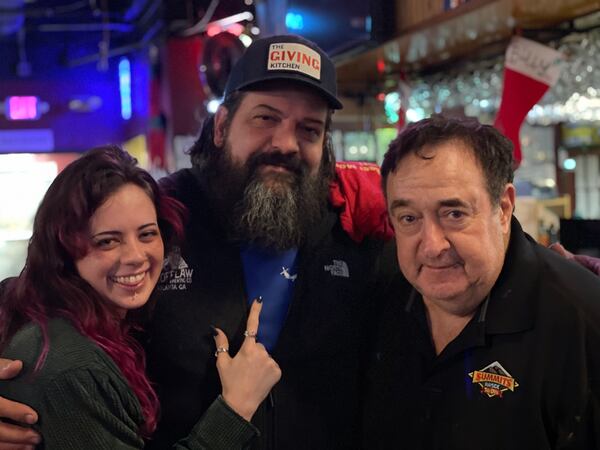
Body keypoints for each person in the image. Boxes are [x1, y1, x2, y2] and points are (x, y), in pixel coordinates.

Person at [0, 35, 397, 449]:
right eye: (265, 118)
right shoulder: (160, 219)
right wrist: (18, 379)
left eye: (309, 129)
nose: (285, 143)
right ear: (223, 126)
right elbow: (42, 289)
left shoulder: (359, 228)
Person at [0, 146, 281, 449]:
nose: (135, 256)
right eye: (107, 241)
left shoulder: (78, 321)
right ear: (64, 250)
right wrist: (236, 408)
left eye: (147, 234)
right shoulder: (74, 368)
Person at [364, 114, 600, 449]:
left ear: (503, 208)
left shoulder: (581, 320)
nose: (432, 246)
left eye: (454, 214)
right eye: (409, 218)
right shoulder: (377, 294)